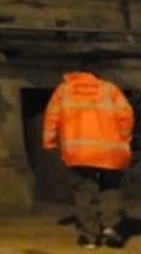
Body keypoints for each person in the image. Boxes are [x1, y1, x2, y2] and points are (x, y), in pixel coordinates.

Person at [44, 68, 134, 249]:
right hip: (110, 150)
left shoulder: (64, 91)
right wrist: (123, 138)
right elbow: (126, 115)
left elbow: (52, 117)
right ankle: (110, 225)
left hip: (78, 151)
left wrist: (49, 142)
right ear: (96, 76)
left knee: (85, 191)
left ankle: (90, 237)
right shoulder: (110, 89)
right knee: (111, 188)